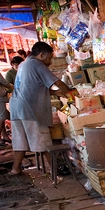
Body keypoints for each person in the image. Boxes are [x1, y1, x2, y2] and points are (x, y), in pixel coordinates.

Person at [9, 41, 76, 175]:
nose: (50, 62)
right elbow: (57, 82)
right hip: (30, 108)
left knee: (20, 140)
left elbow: (32, 87)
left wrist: (55, 93)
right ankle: (54, 171)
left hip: (16, 106)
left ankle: (15, 169)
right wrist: (71, 93)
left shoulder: (23, 64)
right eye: (49, 58)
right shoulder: (36, 64)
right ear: (41, 55)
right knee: (43, 141)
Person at [0, 71, 13, 145]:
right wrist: (15, 87)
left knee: (2, 116)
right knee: (2, 117)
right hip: (0, 97)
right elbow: (5, 83)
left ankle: (4, 136)